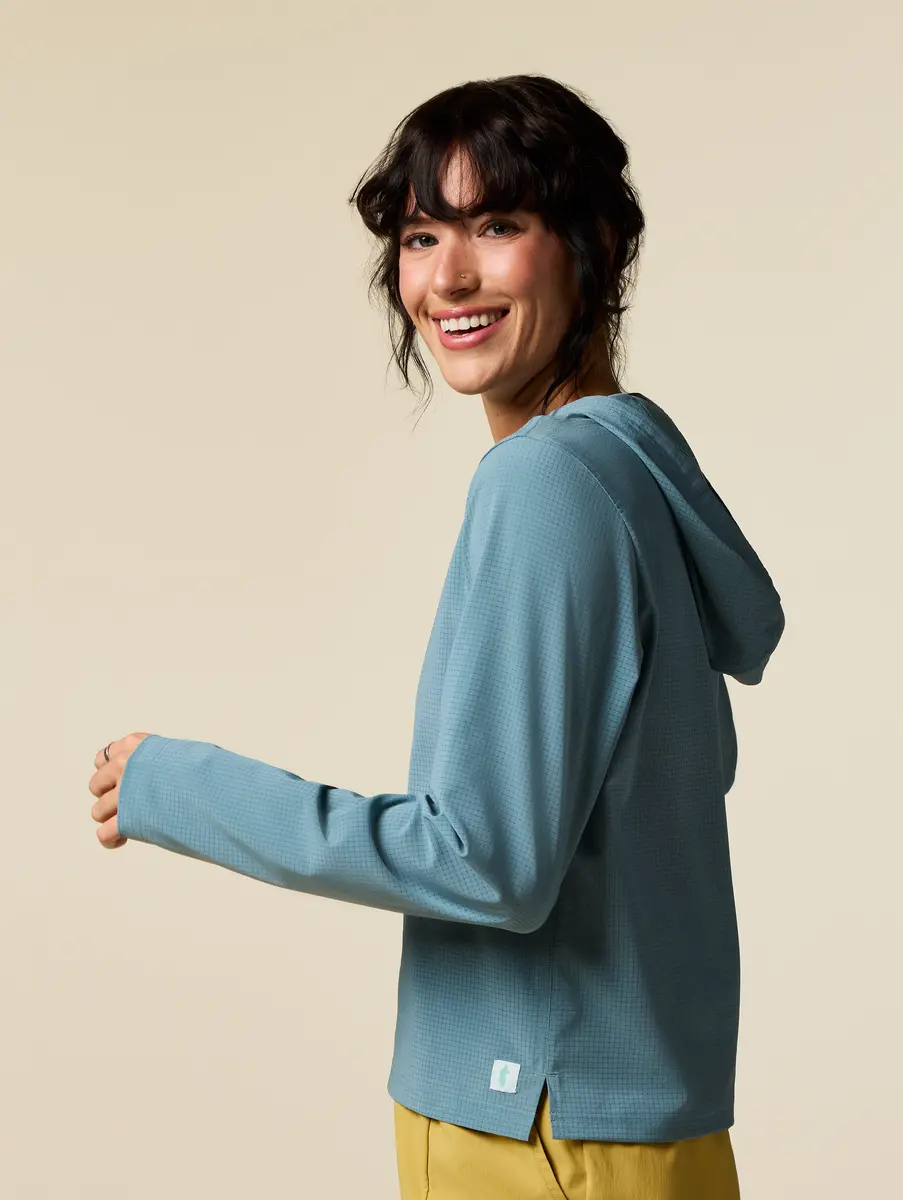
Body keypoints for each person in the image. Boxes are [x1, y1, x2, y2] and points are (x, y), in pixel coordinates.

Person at [91, 73, 785, 1199]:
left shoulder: (548, 483)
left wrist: (178, 786)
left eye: (497, 226)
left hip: (532, 1122)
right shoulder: (629, 471)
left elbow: (487, 860)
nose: (448, 278)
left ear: (595, 245)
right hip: (622, 1122)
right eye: (421, 237)